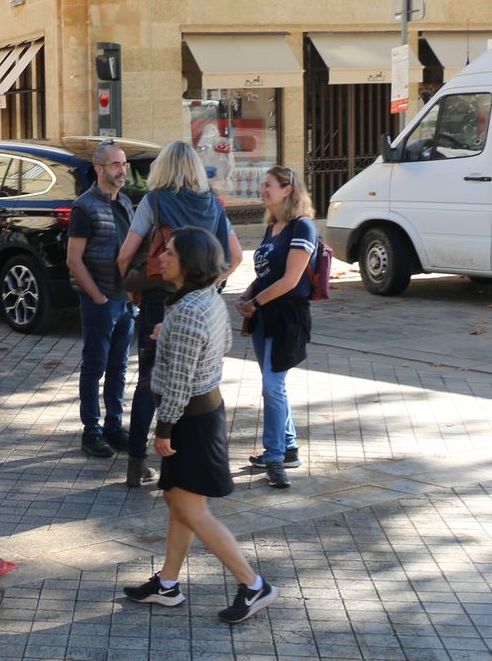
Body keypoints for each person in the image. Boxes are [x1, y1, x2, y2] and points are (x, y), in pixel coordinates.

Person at [122, 227, 279, 626]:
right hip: (199, 414)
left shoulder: (190, 311)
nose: (162, 257)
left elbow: (178, 381)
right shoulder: (201, 299)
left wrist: (163, 429)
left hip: (190, 420)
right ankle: (168, 584)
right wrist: (167, 335)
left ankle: (253, 584)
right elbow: (214, 345)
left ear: (188, 264)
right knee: (179, 502)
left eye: (170, 253)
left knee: (192, 509)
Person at [116, 140, 243, 489]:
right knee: (196, 376)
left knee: (150, 378)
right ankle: (183, 451)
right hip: (200, 301)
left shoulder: (154, 201)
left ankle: (137, 462)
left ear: (163, 169)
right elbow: (236, 256)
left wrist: (132, 286)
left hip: (158, 298)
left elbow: (125, 254)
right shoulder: (213, 204)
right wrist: (208, 285)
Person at [238, 166, 317, 488]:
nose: (262, 190)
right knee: (273, 385)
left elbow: (290, 280)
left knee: (273, 386)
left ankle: (274, 456)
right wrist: (248, 293)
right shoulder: (272, 228)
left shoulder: (303, 227)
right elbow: (267, 274)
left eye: (268, 185)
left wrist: (255, 302)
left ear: (287, 190)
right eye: (262, 185)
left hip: (287, 317)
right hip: (262, 318)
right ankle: (289, 447)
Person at [67, 143, 134, 458]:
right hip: (101, 301)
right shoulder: (85, 206)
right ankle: (91, 431)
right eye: (115, 164)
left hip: (125, 300)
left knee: (119, 367)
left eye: (123, 163)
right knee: (95, 366)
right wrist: (96, 295)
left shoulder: (127, 203)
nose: (122, 169)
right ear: (99, 168)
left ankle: (113, 426)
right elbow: (74, 259)